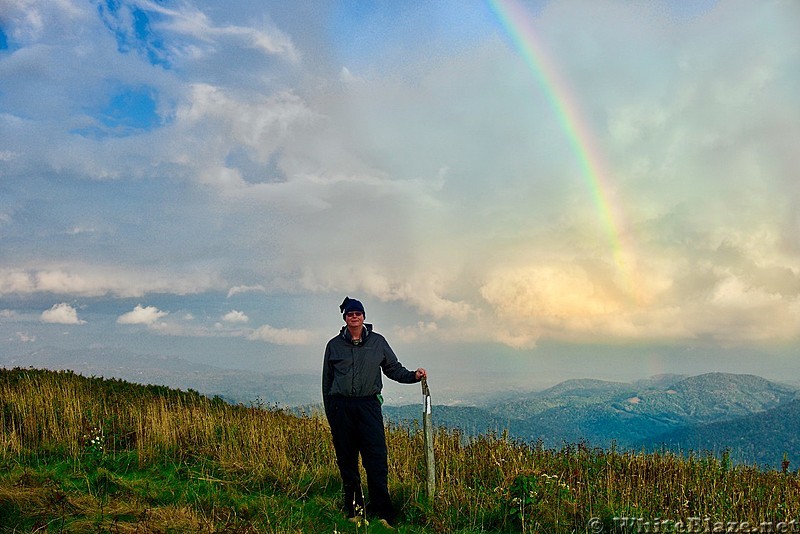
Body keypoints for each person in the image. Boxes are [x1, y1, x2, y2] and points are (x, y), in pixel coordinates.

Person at [322, 296, 427, 529]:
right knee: (347, 460)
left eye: (358, 313)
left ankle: (383, 514)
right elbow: (327, 382)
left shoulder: (378, 342)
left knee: (376, 460)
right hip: (342, 408)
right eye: (350, 314)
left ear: (364, 317)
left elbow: (392, 368)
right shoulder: (334, 345)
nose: (354, 317)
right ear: (345, 318)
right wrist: (332, 414)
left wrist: (413, 376)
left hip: (368, 406)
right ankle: (354, 510)